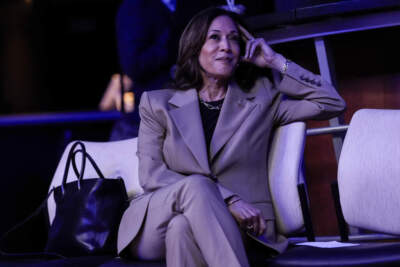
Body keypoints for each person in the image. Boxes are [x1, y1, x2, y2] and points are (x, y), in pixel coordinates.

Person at [117, 7, 346, 267]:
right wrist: (228, 199)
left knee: (181, 230)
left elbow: (331, 102)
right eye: (214, 37)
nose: (225, 46)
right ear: (195, 46)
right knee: (196, 187)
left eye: (234, 38)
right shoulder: (158, 104)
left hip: (241, 225)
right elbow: (152, 175)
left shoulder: (261, 101)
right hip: (157, 223)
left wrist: (275, 61)